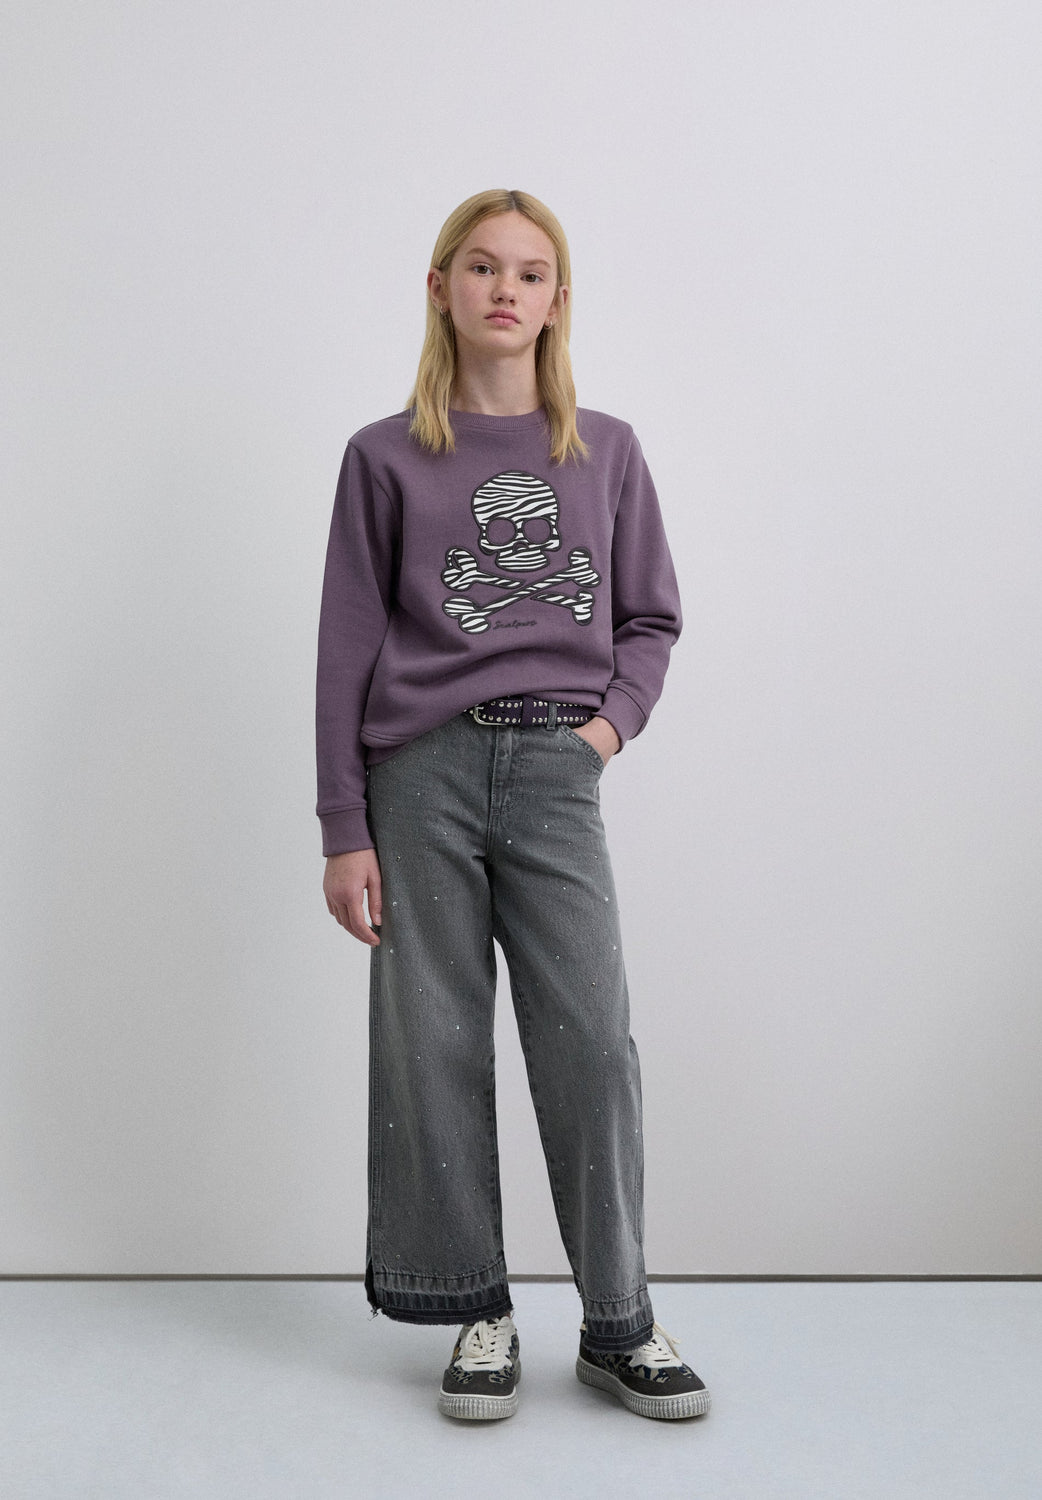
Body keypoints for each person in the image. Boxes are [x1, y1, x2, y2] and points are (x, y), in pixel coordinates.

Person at [316, 189, 709, 1422]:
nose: (505, 289)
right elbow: (345, 646)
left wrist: (602, 733)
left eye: (530, 273)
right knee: (431, 1045)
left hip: (554, 769)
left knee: (590, 1040)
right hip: (417, 773)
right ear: (440, 289)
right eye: (481, 267)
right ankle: (471, 1307)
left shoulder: (606, 450)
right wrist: (343, 826)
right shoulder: (384, 456)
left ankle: (618, 1319)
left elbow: (649, 616)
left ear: (556, 300)